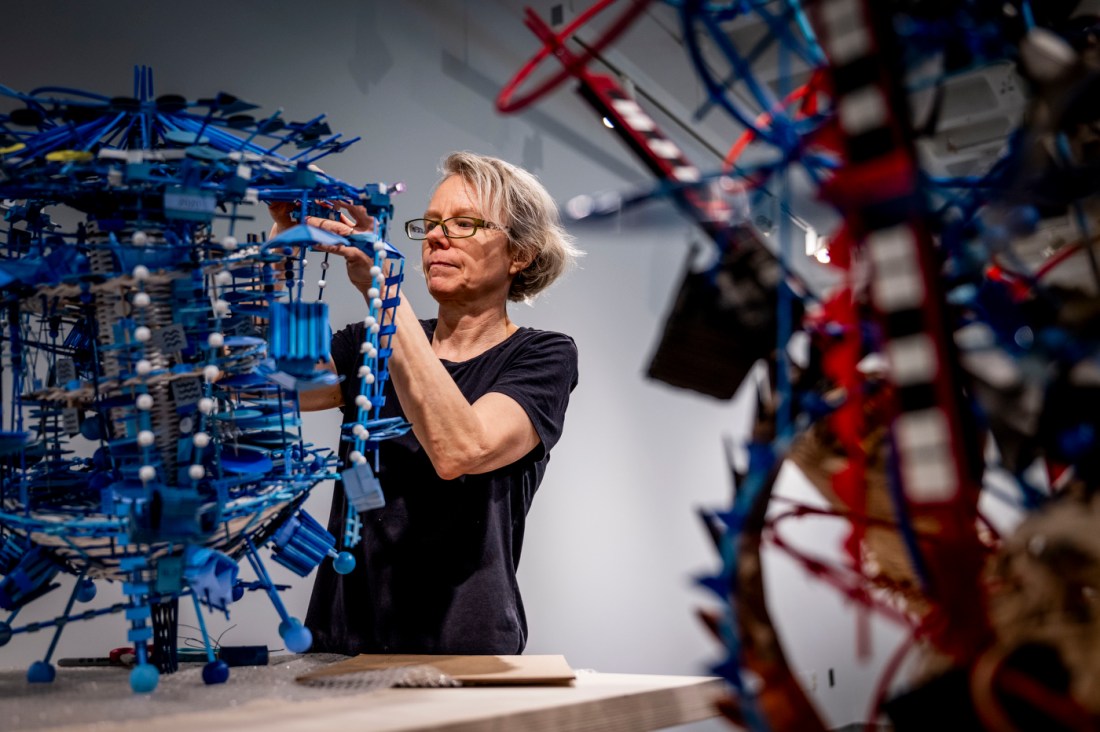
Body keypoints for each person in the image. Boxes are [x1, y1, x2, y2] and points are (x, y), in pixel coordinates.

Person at [269, 151, 581, 655]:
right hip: (341, 641)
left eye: (463, 224)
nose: (436, 237)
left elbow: (461, 449)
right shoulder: (371, 342)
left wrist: (384, 292)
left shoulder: (543, 355)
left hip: (463, 652)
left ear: (519, 254)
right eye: (432, 224)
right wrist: (280, 257)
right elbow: (270, 390)